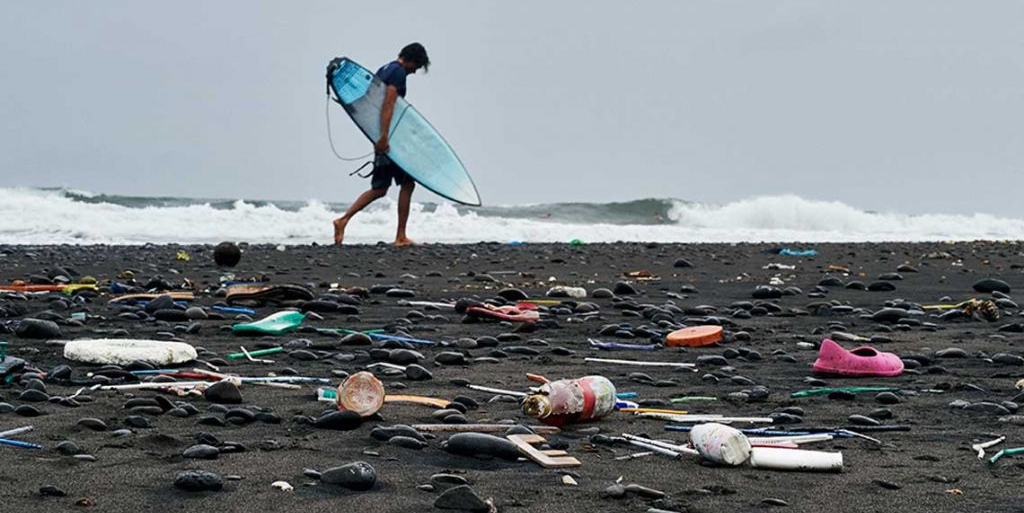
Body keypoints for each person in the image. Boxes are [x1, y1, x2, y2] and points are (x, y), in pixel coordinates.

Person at [333, 42, 430, 246]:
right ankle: (400, 236)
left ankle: (343, 220)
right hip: (389, 140)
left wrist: (378, 135)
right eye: (417, 66)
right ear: (412, 59)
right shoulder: (398, 73)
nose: (415, 71)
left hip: (380, 134)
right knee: (407, 183)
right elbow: (388, 103)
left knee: (380, 188)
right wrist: (384, 137)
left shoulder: (385, 69)